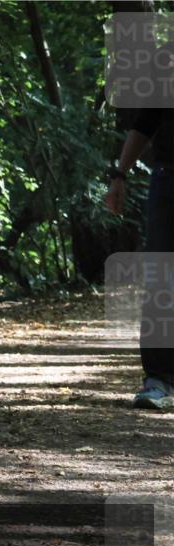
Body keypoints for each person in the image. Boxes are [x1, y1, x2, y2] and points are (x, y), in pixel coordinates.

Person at [105, 106, 174, 410]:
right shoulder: (166, 66)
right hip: (169, 178)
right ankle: (158, 379)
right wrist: (119, 174)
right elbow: (145, 122)